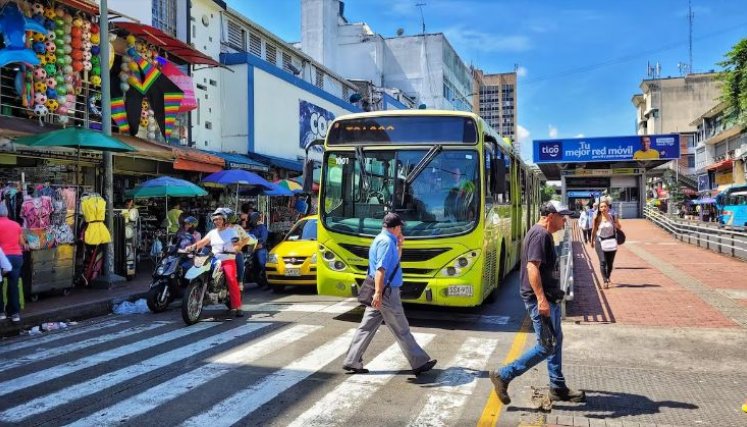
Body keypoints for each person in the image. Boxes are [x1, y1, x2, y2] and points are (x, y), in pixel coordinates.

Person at [489, 201, 585, 405]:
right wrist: (541, 299)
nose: (565, 220)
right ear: (550, 216)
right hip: (540, 301)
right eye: (562, 216)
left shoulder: (543, 234)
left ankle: (558, 387)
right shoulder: (540, 235)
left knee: (554, 341)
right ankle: (504, 374)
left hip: (548, 298)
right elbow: (532, 268)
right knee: (546, 346)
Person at [342, 212, 437, 376]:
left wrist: (400, 246)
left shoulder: (382, 239)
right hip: (386, 292)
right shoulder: (386, 242)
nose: (401, 229)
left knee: (366, 327)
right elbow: (381, 270)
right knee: (401, 328)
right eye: (400, 227)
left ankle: (352, 360)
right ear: (395, 227)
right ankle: (419, 362)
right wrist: (378, 293)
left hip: (381, 291)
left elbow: (393, 264)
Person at [186, 208, 244, 317]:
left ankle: (238, 306)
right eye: (215, 219)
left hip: (228, 260)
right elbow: (202, 243)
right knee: (201, 270)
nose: (217, 221)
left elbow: (237, 243)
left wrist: (235, 248)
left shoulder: (232, 232)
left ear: (224, 220)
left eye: (219, 219)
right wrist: (191, 247)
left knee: (232, 280)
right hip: (214, 259)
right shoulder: (212, 233)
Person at [0, 201, 25, 323]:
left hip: (2, 258)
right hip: (16, 257)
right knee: (13, 285)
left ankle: (1, 312)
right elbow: (21, 242)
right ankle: (14, 314)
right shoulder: (16, 225)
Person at [590, 199, 622, 288]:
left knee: (609, 263)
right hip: (599, 241)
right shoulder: (597, 218)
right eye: (601, 207)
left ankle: (607, 277)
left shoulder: (612, 217)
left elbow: (619, 226)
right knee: (603, 261)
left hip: (610, 241)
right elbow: (593, 230)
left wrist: (616, 224)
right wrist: (591, 240)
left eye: (605, 206)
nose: (603, 208)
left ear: (608, 208)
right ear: (599, 209)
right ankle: (605, 281)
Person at [227, 210, 253, 291]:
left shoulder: (238, 228)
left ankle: (240, 282)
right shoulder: (220, 228)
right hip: (221, 252)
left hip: (235, 252)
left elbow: (246, 238)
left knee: (240, 264)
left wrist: (239, 246)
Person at [247, 211, 269, 290]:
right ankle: (258, 280)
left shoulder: (262, 227)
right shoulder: (251, 229)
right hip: (253, 249)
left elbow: (263, 239)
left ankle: (267, 282)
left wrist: (257, 242)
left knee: (262, 263)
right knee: (253, 265)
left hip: (261, 248)